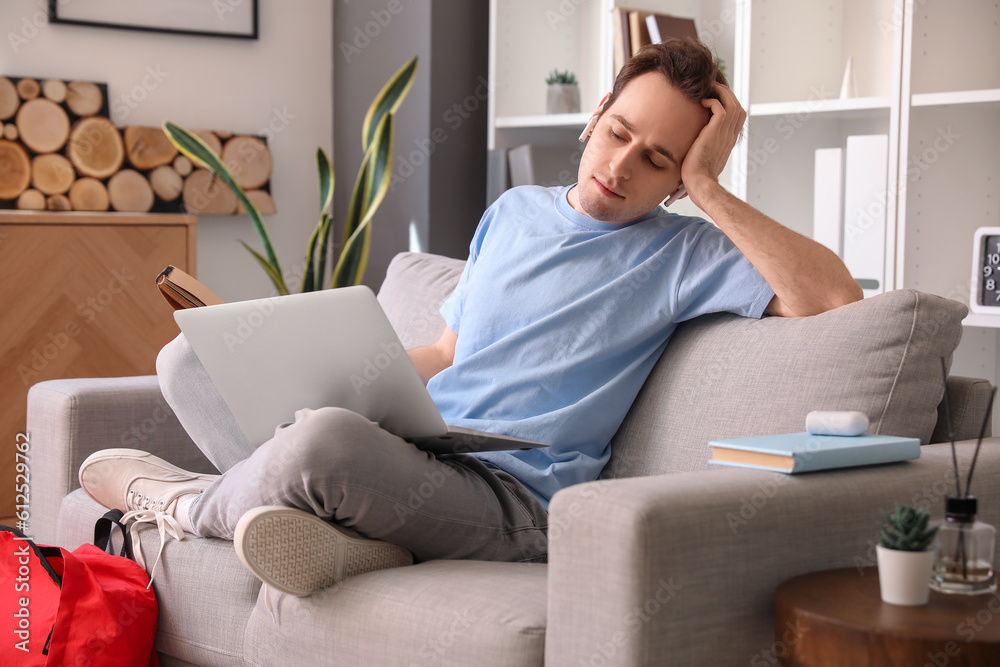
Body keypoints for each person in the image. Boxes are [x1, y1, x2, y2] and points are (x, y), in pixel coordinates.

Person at [79, 39, 862, 598]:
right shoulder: (514, 211)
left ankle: (181, 504)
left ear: (684, 176)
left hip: (513, 497)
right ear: (595, 116)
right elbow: (450, 351)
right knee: (189, 363)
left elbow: (835, 298)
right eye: (620, 133)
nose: (621, 165)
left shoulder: (687, 250)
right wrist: (329, 374)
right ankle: (358, 540)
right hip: (424, 448)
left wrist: (712, 188)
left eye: (659, 160)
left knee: (322, 443)